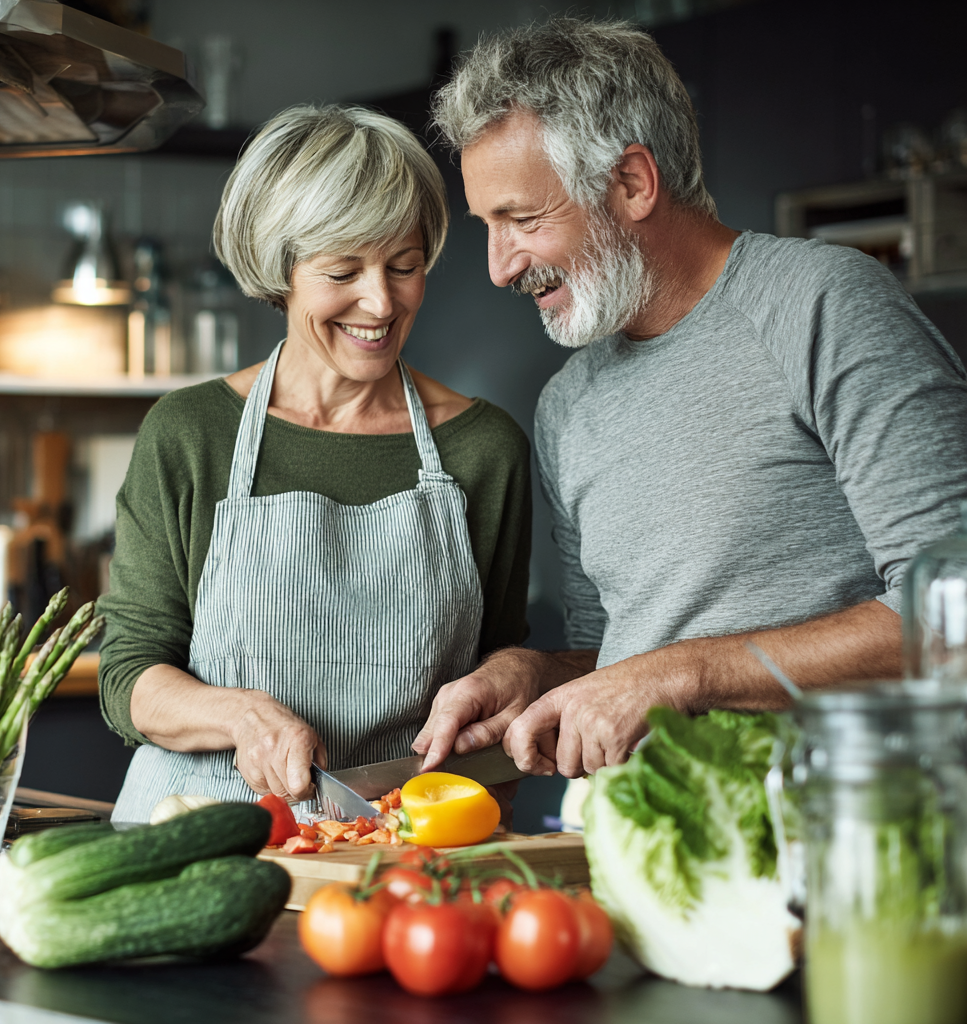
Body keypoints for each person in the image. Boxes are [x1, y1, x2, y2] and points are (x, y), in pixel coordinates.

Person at [413, 17, 967, 781]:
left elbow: (955, 615)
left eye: (522, 219)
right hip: (656, 847)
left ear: (633, 183)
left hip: (850, 837)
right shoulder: (569, 404)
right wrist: (539, 676)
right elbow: (621, 662)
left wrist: (684, 675)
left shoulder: (823, 306)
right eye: (487, 225)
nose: (499, 267)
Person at [98, 105, 531, 823]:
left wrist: (503, 714)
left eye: (405, 266)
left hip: (400, 853)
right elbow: (129, 674)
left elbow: (500, 668)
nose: (381, 302)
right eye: (342, 271)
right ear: (281, 272)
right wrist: (242, 719)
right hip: (197, 842)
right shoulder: (191, 433)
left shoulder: (485, 450)